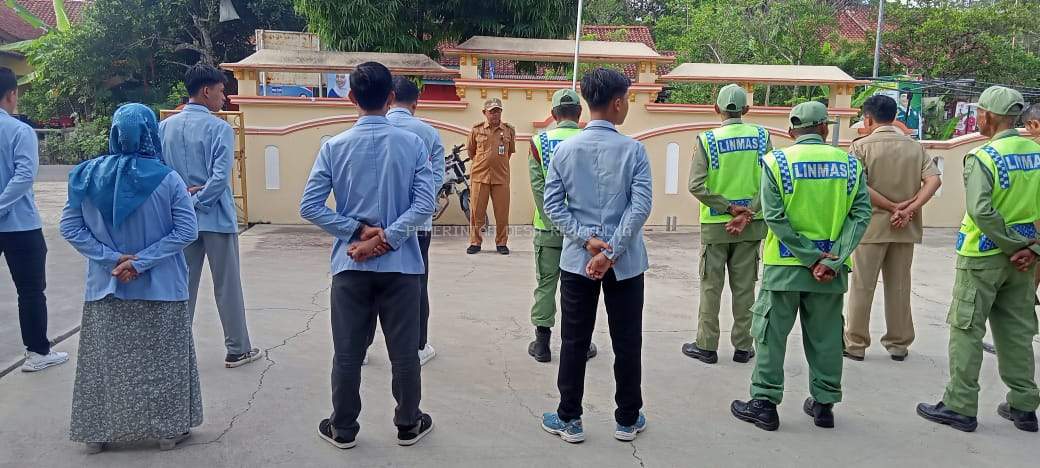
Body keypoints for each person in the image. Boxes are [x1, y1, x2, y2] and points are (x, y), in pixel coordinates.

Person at [300, 62, 437, 449]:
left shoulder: (334, 146)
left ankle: (343, 428)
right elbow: (425, 204)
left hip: (350, 264)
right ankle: (409, 423)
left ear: (351, 98)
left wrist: (359, 233)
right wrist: (388, 239)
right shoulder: (414, 145)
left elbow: (310, 206)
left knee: (347, 353)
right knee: (404, 353)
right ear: (391, 98)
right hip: (403, 267)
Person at [61, 103, 202, 453]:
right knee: (162, 363)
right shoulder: (168, 178)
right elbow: (187, 231)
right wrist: (140, 263)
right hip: (163, 288)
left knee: (104, 364)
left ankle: (96, 434)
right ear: (150, 132)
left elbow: (70, 227)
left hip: (106, 287)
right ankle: (167, 432)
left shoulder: (85, 175)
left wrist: (112, 259)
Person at [731, 101, 871, 431]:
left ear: (792, 132)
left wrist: (808, 257)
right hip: (831, 272)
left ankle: (764, 404)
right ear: (825, 129)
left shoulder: (777, 162)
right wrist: (832, 258)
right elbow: (861, 215)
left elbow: (775, 217)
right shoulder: (850, 165)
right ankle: (824, 405)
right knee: (825, 337)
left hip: (784, 268)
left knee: (770, 336)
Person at [917, 86, 1040, 433]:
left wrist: (1011, 245)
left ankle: (960, 404)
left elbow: (981, 211)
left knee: (966, 328)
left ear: (986, 116)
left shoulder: (983, 157)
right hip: (1024, 261)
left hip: (983, 256)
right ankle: (1024, 406)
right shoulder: (1036, 154)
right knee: (1017, 331)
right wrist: (1031, 249)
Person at [540, 68, 652, 444]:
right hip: (626, 263)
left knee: (573, 340)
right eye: (627, 101)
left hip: (577, 261)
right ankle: (627, 418)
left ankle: (569, 418)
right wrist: (613, 250)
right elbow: (640, 208)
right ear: (618, 102)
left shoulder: (563, 150)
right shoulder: (634, 150)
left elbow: (552, 205)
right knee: (627, 340)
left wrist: (588, 241)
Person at [159, 63, 260, 368]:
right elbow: (219, 179)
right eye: (220, 90)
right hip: (215, 216)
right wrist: (199, 200)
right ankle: (237, 348)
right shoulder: (220, 128)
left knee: (181, 285)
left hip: (180, 221)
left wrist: (184, 203)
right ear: (206, 91)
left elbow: (162, 174)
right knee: (227, 284)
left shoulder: (164, 127)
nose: (225, 96)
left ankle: (176, 350)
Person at [843, 95, 942, 362]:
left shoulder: (860, 147)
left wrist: (890, 207)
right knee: (899, 286)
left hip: (870, 227)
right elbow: (933, 181)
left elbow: (858, 186)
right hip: (904, 228)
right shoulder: (915, 147)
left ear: (868, 118)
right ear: (894, 116)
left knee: (863, 286)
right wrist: (908, 209)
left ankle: (856, 344)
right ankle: (898, 344)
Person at [682, 84, 770, 365]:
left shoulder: (707, 140)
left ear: (716, 108)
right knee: (745, 289)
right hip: (751, 227)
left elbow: (695, 185)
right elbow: (771, 183)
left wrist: (729, 209)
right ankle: (744, 347)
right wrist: (746, 214)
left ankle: (706, 346)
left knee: (711, 288)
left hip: (716, 227)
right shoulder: (762, 136)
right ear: (746, 109)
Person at [0, 67, 68, 372]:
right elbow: (24, 174)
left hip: (16, 223)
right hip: (20, 224)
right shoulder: (19, 131)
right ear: (12, 94)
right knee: (29, 290)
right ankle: (38, 352)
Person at [527, 88, 597, 363]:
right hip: (584, 232)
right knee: (580, 288)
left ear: (554, 114)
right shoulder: (590, 141)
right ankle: (582, 344)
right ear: (580, 113)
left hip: (549, 229)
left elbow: (538, 189)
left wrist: (554, 221)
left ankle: (542, 345)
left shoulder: (539, 142)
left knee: (546, 284)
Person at [387, 76, 445, 366]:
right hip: (417, 225)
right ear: (416, 102)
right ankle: (418, 346)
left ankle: (360, 348)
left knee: (368, 285)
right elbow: (435, 180)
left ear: (389, 97)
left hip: (373, 227)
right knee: (416, 285)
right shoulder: (429, 133)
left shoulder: (365, 131)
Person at [466, 98, 515, 255]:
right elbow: (471, 152)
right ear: (484, 113)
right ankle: (475, 242)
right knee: (476, 213)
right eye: (492, 111)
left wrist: (497, 164)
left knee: (502, 213)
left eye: (498, 111)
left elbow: (509, 153)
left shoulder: (508, 131)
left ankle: (501, 243)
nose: (495, 114)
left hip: (501, 178)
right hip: (480, 177)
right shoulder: (476, 130)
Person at [1020, 103, 1040, 297]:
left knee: (1026, 293)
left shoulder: (1030, 151)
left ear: (1034, 124)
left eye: (1026, 127)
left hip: (1035, 224)